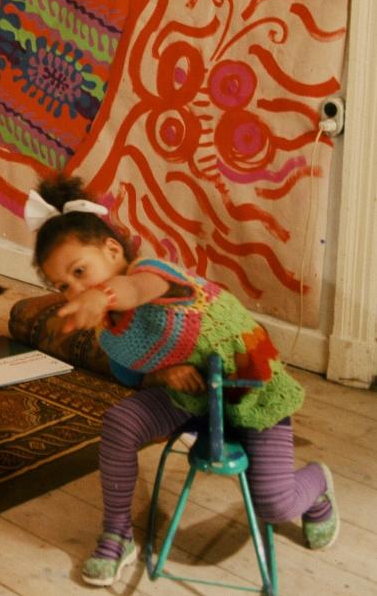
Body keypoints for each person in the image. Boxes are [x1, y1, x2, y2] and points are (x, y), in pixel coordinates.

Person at [26, 175, 339, 587]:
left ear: (112, 249)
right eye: (64, 286)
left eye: (80, 271)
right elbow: (130, 375)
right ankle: (118, 533)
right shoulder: (109, 330)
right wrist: (160, 373)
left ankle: (317, 484)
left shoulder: (153, 273)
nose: (76, 289)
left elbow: (135, 288)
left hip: (248, 390)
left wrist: (103, 295)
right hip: (190, 397)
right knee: (120, 422)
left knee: (275, 503)